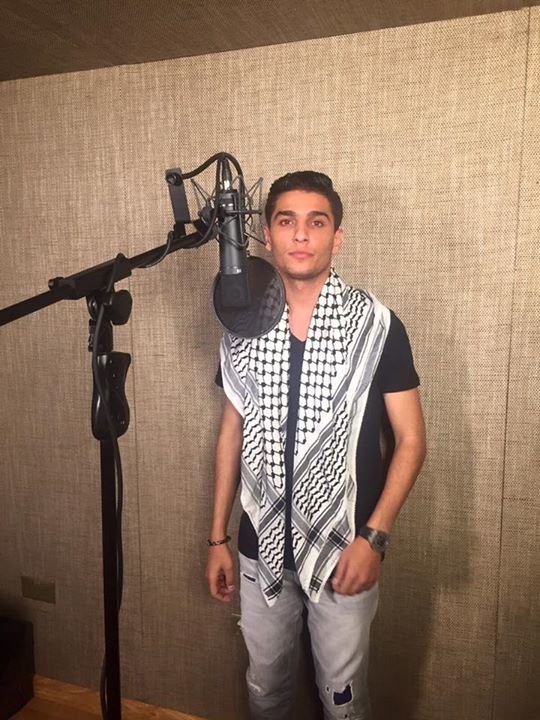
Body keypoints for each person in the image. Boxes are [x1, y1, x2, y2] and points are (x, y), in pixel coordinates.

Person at [206, 171, 426, 720]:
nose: (301, 234)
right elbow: (232, 432)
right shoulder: (243, 324)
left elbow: (411, 441)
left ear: (337, 237)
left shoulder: (376, 326)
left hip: (346, 548)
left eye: (316, 222)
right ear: (267, 235)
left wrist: (374, 539)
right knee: (265, 690)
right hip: (259, 546)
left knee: (343, 701)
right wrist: (217, 538)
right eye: (287, 221)